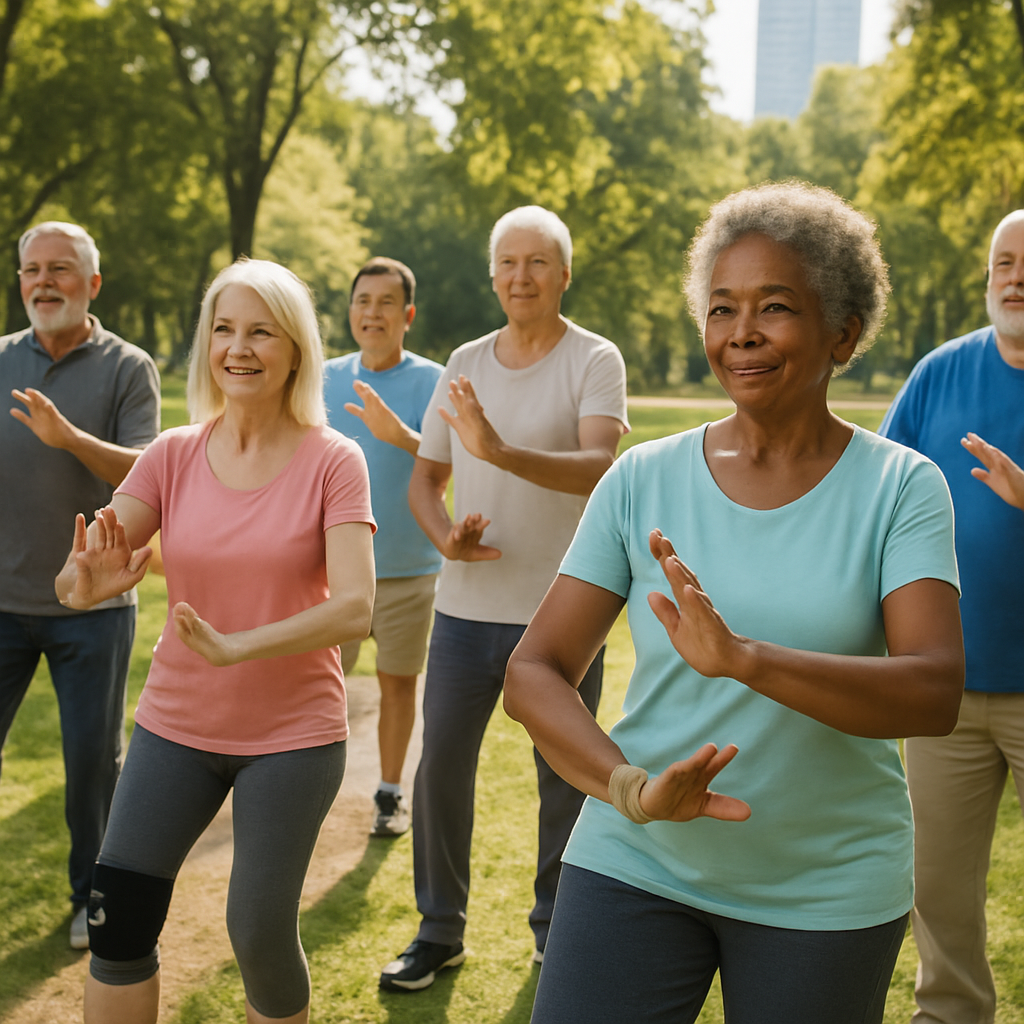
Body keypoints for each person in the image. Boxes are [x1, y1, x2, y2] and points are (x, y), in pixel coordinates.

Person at [503, 182, 966, 1024]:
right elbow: (534, 669)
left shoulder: (903, 488)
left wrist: (746, 661)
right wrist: (629, 789)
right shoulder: (642, 477)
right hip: (638, 854)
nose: (741, 332)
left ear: (844, 332)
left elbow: (933, 691)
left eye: (775, 307)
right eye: (722, 308)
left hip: (826, 885)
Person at [55, 259, 376, 1024]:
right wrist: (85, 584)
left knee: (258, 929)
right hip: (177, 723)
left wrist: (240, 646)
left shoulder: (334, 460)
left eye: (260, 331)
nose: (239, 347)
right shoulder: (171, 453)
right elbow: (81, 574)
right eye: (224, 330)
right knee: (119, 915)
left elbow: (355, 608)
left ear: (295, 348)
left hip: (291, 735)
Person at [379, 206, 629, 991]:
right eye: (508, 264)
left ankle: (556, 932)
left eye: (537, 263)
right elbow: (427, 477)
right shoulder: (466, 360)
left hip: (561, 615)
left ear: (563, 272)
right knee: (440, 771)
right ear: (494, 276)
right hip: (463, 609)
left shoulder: (595, 358)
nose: (521, 277)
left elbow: (599, 466)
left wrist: (501, 453)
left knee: (565, 777)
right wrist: (444, 536)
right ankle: (438, 931)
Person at [879, 209, 1024, 1024]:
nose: (1017, 277)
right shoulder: (940, 372)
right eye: (1004, 261)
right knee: (937, 882)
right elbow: (880, 494)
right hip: (946, 689)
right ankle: (951, 1014)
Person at [0, 221, 160, 949]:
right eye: (32, 270)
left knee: (90, 763)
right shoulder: (0, 360)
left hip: (93, 608)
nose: (43, 282)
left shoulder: (129, 368)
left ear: (93, 284)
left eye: (60, 269)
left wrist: (71, 440)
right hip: (2, 603)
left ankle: (86, 899)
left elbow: (150, 475)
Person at [324, 257, 443, 837]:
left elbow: (455, 462)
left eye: (385, 302)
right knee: (320, 684)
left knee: (398, 685)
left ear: (408, 315)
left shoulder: (434, 380)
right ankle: (311, 786)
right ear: (351, 312)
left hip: (408, 570)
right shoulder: (320, 378)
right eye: (362, 301)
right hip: (329, 574)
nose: (372, 312)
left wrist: (400, 435)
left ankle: (389, 794)